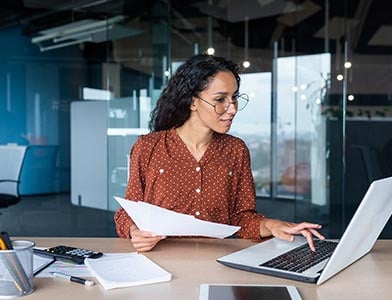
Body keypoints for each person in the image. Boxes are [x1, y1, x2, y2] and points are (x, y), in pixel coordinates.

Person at [114, 53, 324, 252]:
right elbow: (128, 212)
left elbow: (242, 219)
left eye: (234, 98)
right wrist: (134, 231)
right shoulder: (148, 147)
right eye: (220, 99)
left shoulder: (236, 150)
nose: (232, 108)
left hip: (217, 261)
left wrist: (272, 225)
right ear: (193, 102)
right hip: (158, 261)